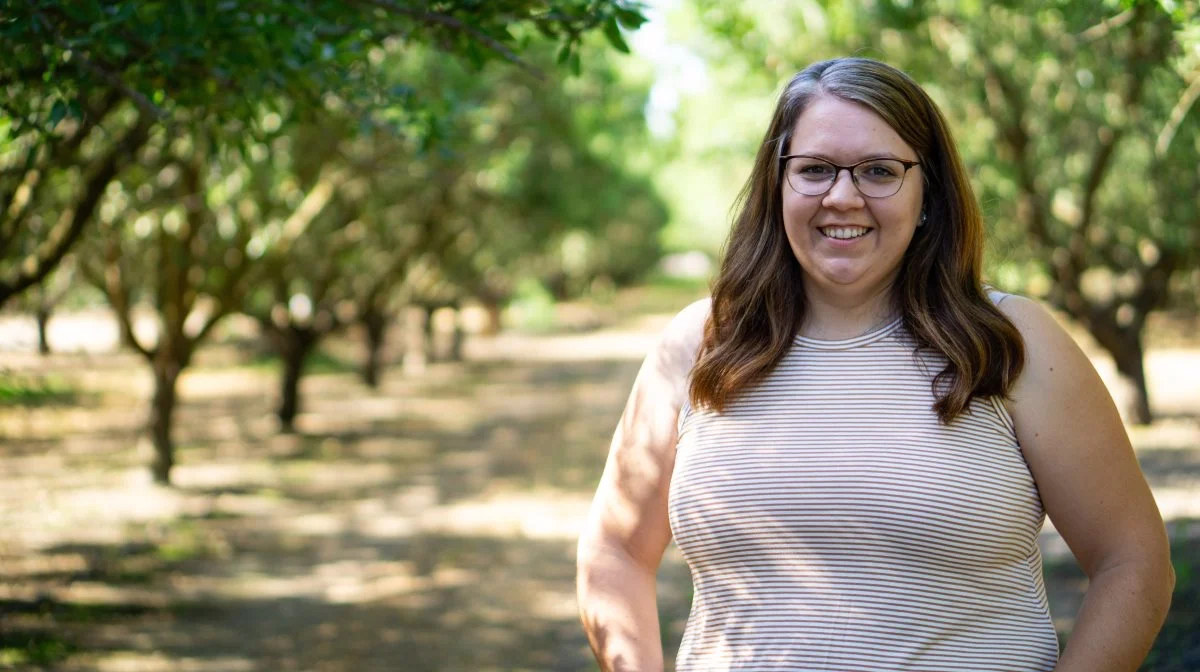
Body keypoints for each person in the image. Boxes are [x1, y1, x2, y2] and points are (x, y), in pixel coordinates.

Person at [576, 57, 1174, 671]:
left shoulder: (1012, 342)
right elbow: (616, 550)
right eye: (814, 170)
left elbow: (1132, 561)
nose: (842, 196)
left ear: (928, 197)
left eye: (879, 171)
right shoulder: (702, 344)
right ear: (777, 185)